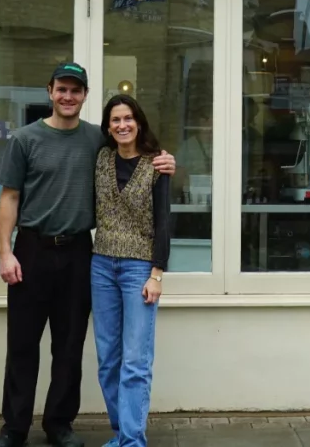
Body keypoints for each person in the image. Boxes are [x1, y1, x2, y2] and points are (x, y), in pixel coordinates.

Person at [0, 63, 175, 447]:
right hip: (31, 250)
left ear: (85, 95)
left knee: (70, 345)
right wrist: (5, 251)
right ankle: (14, 428)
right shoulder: (25, 139)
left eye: (76, 90)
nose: (68, 97)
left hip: (78, 252)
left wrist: (166, 162)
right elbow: (9, 197)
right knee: (22, 343)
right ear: (50, 91)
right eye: (62, 89)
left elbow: (135, 154)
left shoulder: (97, 139)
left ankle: (59, 424)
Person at [91, 95, 172, 447]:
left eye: (128, 118)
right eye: (115, 120)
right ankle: (122, 432)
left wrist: (157, 274)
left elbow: (164, 222)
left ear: (138, 122)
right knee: (108, 359)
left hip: (139, 268)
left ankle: (132, 441)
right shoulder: (101, 158)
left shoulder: (157, 164)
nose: (122, 125)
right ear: (108, 127)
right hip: (101, 266)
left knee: (136, 360)